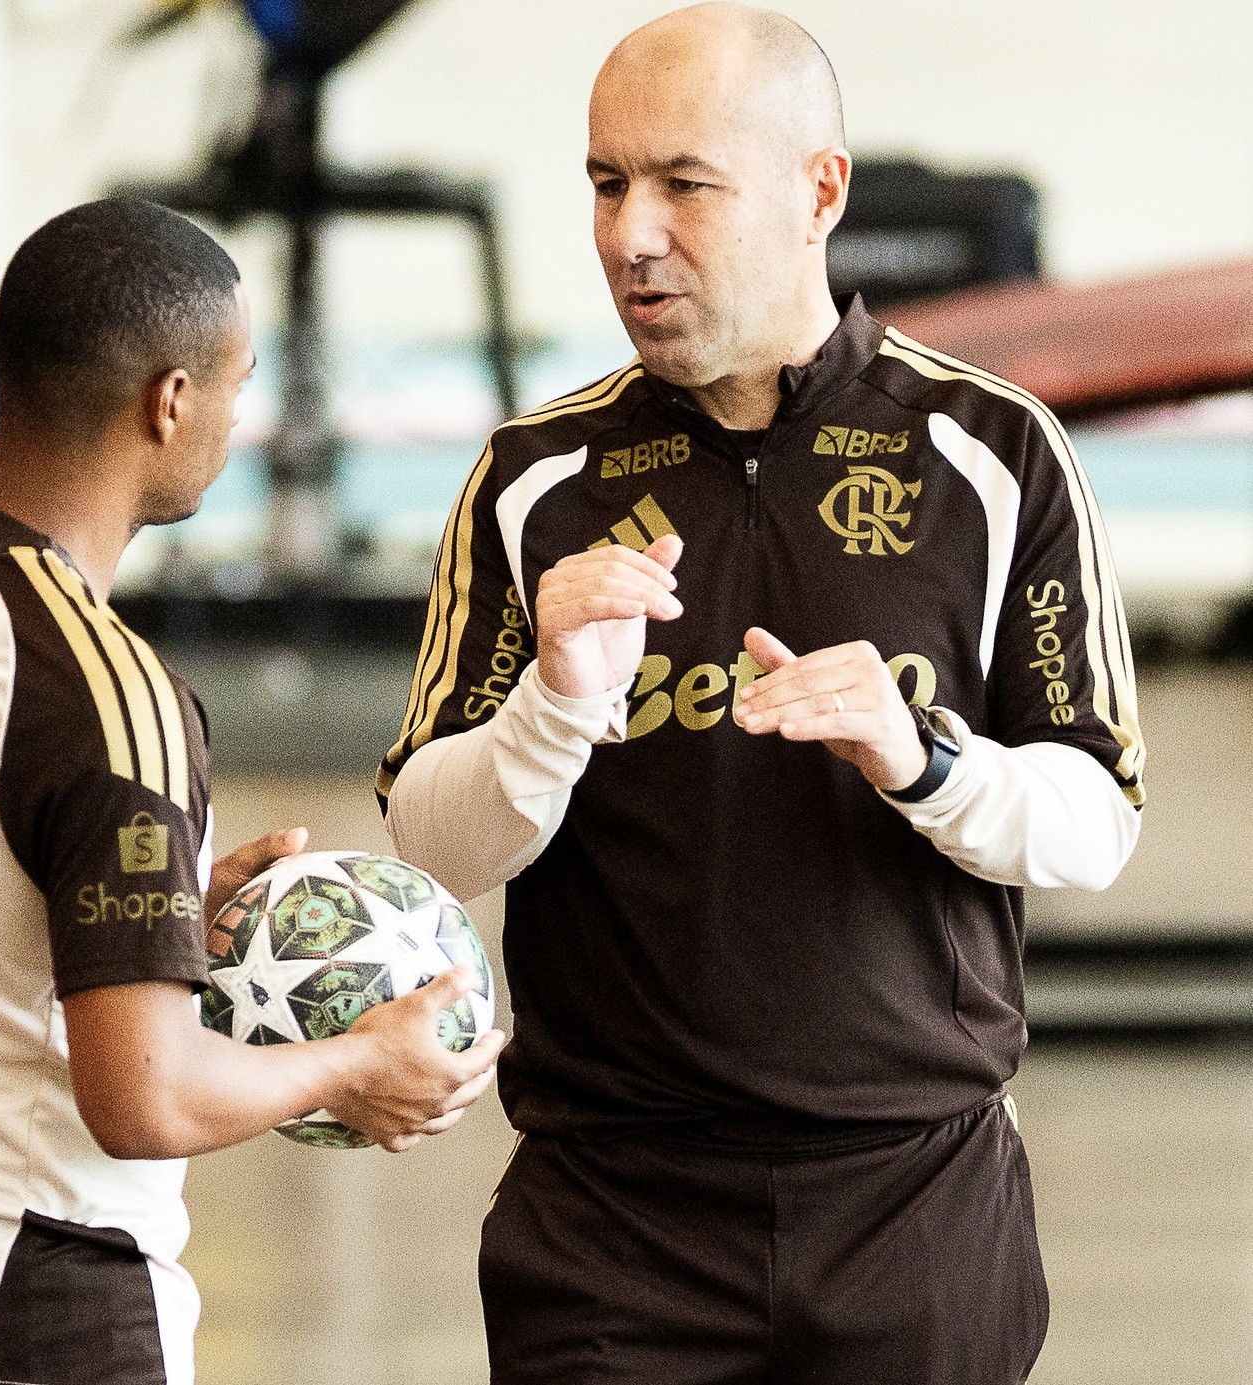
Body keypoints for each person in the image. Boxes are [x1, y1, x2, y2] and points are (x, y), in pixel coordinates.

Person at [377, 6, 1144, 1382]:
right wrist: (550, 706)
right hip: (613, 1221)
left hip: (911, 1205)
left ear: (818, 190)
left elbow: (1095, 820)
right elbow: (432, 846)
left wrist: (924, 761)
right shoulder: (534, 482)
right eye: (606, 183)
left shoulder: (989, 456)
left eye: (684, 183)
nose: (630, 234)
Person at [0, 198, 504, 1385]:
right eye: (235, 382)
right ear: (167, 400)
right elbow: (146, 1097)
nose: (240, 416)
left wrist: (161, 902)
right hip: (39, 1313)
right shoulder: (109, 697)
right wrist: (356, 1062)